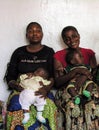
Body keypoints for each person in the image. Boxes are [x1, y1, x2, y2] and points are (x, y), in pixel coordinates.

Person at [5, 22, 57, 130]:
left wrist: (46, 89)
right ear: (26, 35)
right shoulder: (18, 52)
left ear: (42, 34)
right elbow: (10, 76)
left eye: (38, 31)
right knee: (16, 106)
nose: (34, 34)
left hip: (42, 89)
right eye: (31, 31)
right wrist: (16, 86)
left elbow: (53, 75)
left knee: (49, 106)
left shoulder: (49, 52)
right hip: (21, 89)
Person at [54, 26, 99, 130]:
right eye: (67, 38)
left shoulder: (89, 53)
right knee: (72, 105)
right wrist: (76, 71)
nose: (72, 40)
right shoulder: (58, 55)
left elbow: (94, 74)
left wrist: (84, 77)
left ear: (79, 36)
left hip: (88, 85)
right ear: (64, 40)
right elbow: (57, 82)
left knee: (93, 102)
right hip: (68, 88)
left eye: (74, 36)